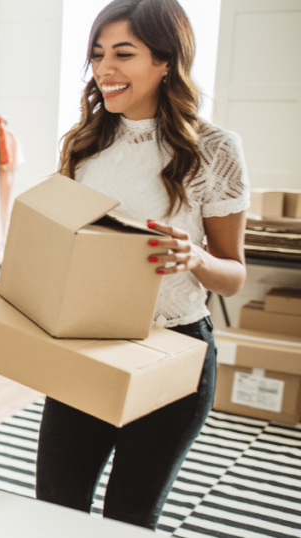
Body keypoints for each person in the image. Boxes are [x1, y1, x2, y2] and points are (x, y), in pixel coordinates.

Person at [36, 0, 249, 530]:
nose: (104, 69)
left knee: (129, 516)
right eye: (97, 53)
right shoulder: (85, 143)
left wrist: (196, 257)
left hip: (174, 352)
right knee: (56, 508)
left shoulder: (216, 149)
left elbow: (234, 273)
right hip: (87, 348)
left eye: (123, 54)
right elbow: (66, 242)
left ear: (166, 60)